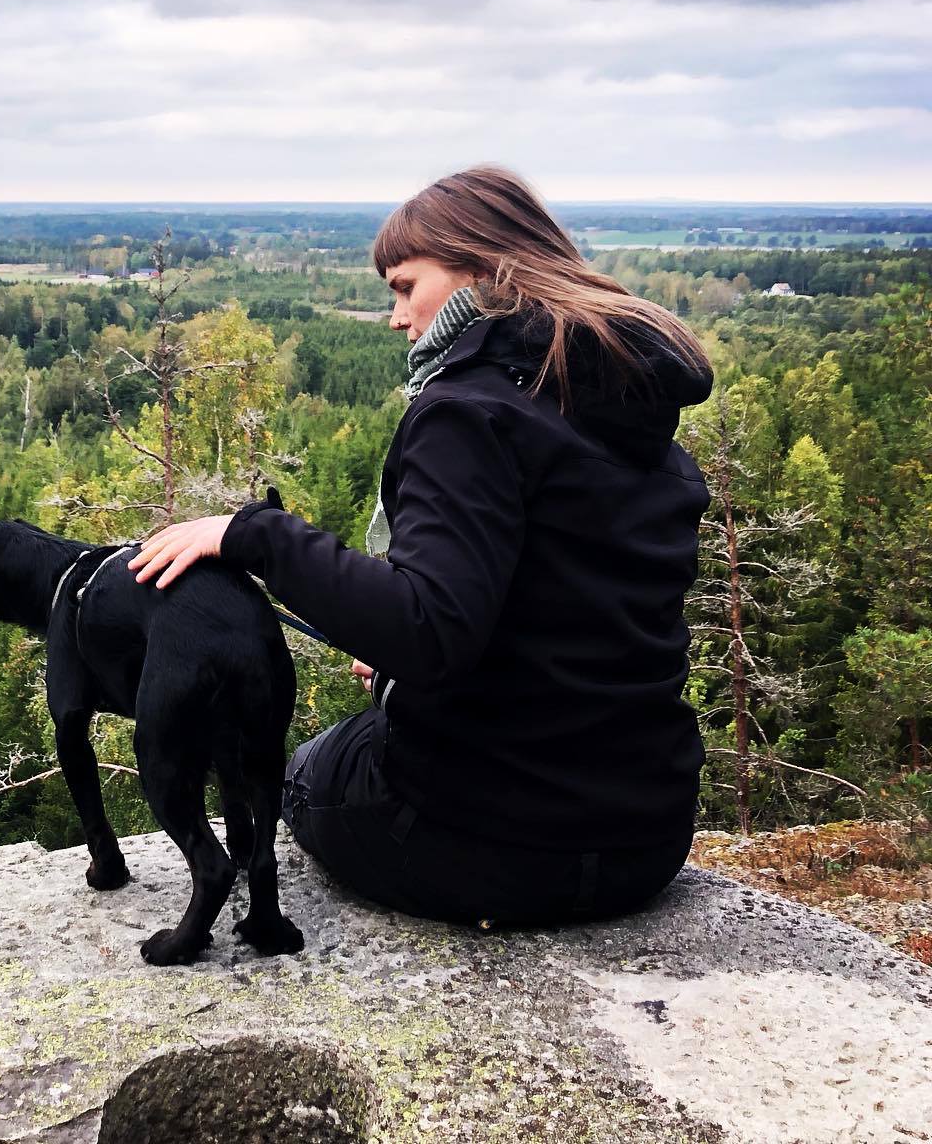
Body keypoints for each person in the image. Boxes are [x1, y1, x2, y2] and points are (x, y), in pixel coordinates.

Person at [126, 164, 715, 928]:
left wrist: (250, 534)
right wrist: (411, 630)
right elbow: (575, 598)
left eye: (405, 286)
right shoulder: (611, 399)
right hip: (646, 836)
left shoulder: (469, 412)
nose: (397, 316)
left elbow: (431, 632)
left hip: (492, 849)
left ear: (481, 266)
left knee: (310, 769)